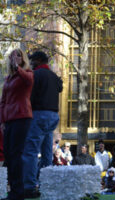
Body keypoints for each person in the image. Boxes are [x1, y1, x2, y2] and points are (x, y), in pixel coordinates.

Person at [22, 51, 63, 198]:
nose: (31, 64)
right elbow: (60, 87)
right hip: (53, 116)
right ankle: (46, 184)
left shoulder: (35, 75)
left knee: (31, 151)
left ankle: (29, 186)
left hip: (39, 114)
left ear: (38, 60)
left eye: (32, 61)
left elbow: (29, 96)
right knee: (46, 153)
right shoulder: (53, 76)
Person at [0, 49, 34, 200]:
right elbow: (3, 101)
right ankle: (14, 190)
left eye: (19, 55)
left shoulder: (26, 74)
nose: (15, 57)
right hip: (9, 120)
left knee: (16, 153)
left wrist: (18, 68)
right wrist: (2, 121)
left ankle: (18, 192)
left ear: (23, 58)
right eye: (13, 56)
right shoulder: (8, 79)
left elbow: (28, 80)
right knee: (8, 154)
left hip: (22, 116)